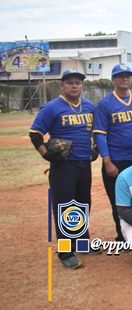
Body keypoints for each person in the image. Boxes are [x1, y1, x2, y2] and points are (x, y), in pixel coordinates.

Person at [29, 70, 96, 269]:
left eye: (78, 82)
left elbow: (97, 131)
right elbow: (35, 133)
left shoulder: (89, 106)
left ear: (82, 86)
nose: (74, 86)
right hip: (63, 166)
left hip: (84, 164)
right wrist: (46, 154)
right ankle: (65, 251)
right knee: (65, 207)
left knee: (83, 204)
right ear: (62, 86)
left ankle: (82, 243)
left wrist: (96, 149)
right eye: (69, 82)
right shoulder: (52, 107)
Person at [94, 63, 132, 241]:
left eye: (127, 75)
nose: (124, 78)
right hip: (117, 160)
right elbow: (100, 135)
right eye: (120, 76)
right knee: (118, 201)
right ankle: (123, 235)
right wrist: (107, 161)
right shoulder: (105, 104)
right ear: (113, 80)